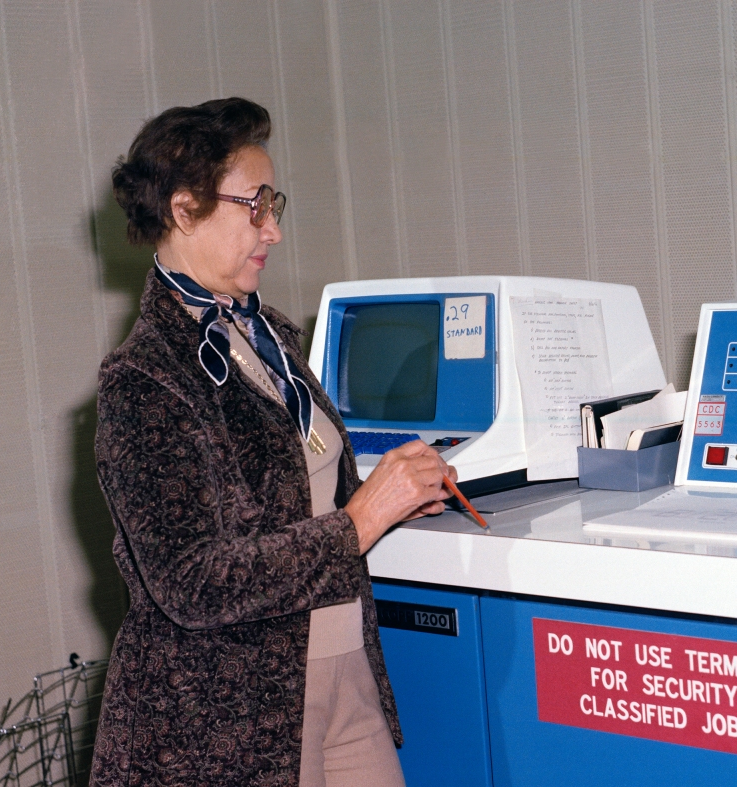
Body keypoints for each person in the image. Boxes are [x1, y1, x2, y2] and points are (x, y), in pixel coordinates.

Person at [90, 96, 455, 787]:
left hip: (344, 668)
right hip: (229, 720)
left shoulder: (272, 337)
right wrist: (361, 519)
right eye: (255, 206)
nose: (274, 230)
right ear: (184, 208)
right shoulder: (140, 380)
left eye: (274, 205)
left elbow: (297, 493)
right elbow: (192, 581)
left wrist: (391, 497)